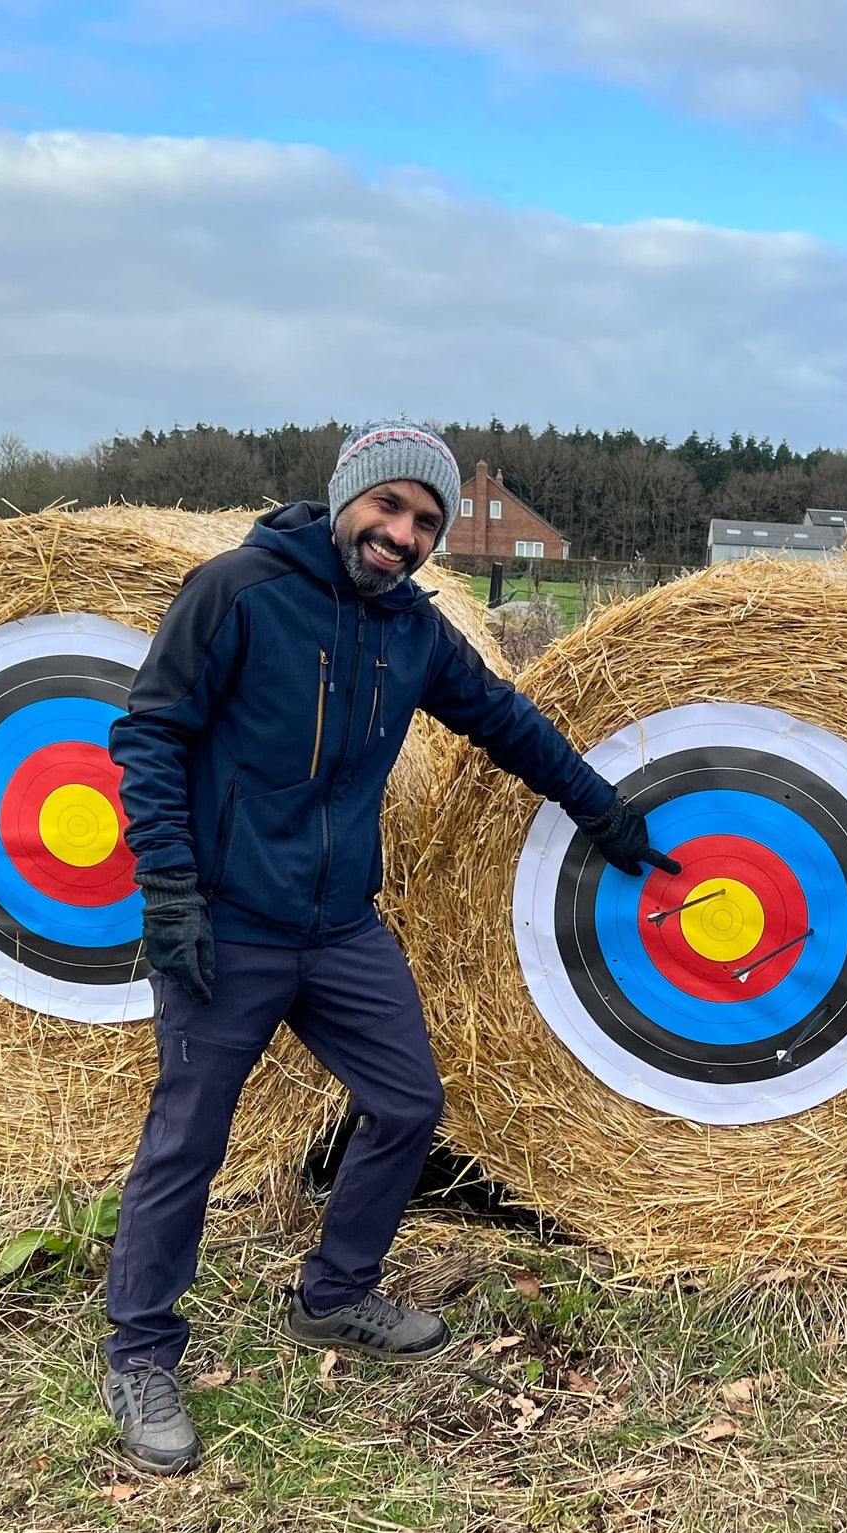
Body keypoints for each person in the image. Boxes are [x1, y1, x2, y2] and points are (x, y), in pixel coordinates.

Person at [98, 419, 677, 1475]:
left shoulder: (410, 629)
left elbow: (506, 720)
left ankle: (333, 1294)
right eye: (389, 507)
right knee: (189, 1136)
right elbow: (149, 732)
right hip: (226, 917)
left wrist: (604, 812)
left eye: (424, 521)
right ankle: (139, 1350)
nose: (401, 533)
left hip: (339, 925)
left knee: (408, 1099)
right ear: (346, 497)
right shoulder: (236, 591)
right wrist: (170, 888)